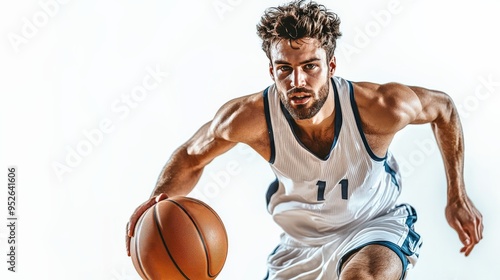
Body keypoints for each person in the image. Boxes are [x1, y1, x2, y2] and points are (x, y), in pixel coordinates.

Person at [126, 0, 483, 279]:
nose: (297, 81)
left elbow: (444, 109)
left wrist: (457, 194)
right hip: (299, 246)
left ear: (330, 65)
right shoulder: (249, 118)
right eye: (285, 69)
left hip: (373, 225)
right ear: (272, 70)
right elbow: (191, 155)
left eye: (310, 66)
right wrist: (155, 204)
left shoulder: (380, 107)